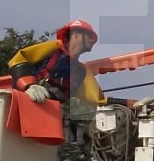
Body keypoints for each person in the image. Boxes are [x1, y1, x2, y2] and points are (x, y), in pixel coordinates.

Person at [9, 19, 145, 107]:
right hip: (26, 101)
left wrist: (132, 104)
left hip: (51, 110)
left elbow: (98, 101)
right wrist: (29, 86)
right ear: (75, 34)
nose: (93, 41)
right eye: (89, 36)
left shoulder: (82, 71)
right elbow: (18, 59)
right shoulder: (54, 48)